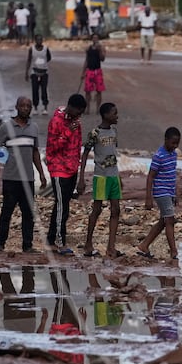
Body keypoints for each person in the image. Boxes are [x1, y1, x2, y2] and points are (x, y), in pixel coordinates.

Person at [0, 96, 47, 253]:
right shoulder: (7, 127)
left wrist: (41, 174)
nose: (25, 108)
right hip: (11, 178)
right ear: (17, 107)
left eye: (28, 106)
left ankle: (27, 246)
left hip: (28, 178)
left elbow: (35, 152)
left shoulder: (33, 128)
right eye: (23, 105)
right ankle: (0, 244)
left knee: (28, 213)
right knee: (7, 212)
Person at [77, 102, 124, 259]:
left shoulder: (114, 131)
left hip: (113, 176)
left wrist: (119, 177)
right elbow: (84, 155)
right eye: (114, 113)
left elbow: (112, 154)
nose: (117, 116)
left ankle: (111, 247)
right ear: (105, 115)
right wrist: (81, 177)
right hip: (101, 177)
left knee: (116, 210)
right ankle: (88, 244)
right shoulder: (95, 133)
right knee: (97, 210)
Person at [45, 93, 87, 255]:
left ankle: (51, 240)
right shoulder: (56, 121)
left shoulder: (76, 122)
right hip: (58, 169)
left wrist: (77, 168)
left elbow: (77, 146)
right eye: (78, 112)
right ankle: (60, 242)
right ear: (71, 107)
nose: (80, 115)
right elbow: (52, 147)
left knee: (63, 206)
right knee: (62, 208)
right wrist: (67, 132)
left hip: (71, 169)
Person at [137, 127, 181, 261]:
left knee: (163, 221)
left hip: (169, 192)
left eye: (177, 143)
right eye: (173, 143)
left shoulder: (174, 155)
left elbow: (172, 175)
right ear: (166, 140)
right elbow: (150, 176)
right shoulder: (159, 156)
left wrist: (175, 193)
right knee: (170, 220)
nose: (175, 146)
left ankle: (144, 245)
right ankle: (174, 252)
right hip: (161, 192)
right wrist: (148, 198)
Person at [25, 34, 52, 115]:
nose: (39, 41)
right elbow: (29, 60)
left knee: (44, 90)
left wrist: (42, 63)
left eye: (41, 39)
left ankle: (45, 107)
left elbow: (49, 58)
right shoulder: (31, 49)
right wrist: (26, 72)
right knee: (35, 90)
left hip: (44, 73)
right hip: (34, 73)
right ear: (35, 40)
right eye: (38, 39)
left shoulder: (46, 49)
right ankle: (35, 107)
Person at [81, 33, 106, 115]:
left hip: (97, 71)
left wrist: (100, 51)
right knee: (87, 91)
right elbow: (86, 60)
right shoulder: (89, 48)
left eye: (96, 38)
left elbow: (102, 59)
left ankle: (97, 109)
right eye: (94, 38)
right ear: (92, 39)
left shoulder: (101, 48)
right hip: (89, 71)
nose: (95, 39)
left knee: (99, 90)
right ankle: (87, 108)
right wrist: (83, 72)